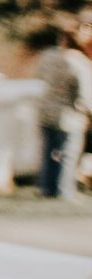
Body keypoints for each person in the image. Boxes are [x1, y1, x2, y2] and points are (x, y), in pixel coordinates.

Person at [36, 22, 92, 198]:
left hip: (46, 110)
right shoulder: (79, 62)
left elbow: (38, 77)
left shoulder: (47, 56)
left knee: (48, 153)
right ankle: (65, 190)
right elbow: (85, 92)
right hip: (70, 115)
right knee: (68, 154)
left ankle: (46, 188)